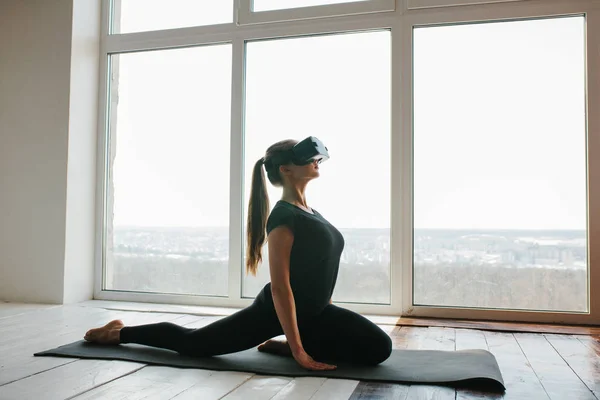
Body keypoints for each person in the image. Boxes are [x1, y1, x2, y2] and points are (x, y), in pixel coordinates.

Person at [84, 137, 392, 371]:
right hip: (276, 310)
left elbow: (319, 270)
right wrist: (300, 352)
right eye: (308, 159)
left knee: (379, 348)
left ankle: (287, 344)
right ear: (286, 169)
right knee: (196, 344)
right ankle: (119, 333)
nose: (316, 161)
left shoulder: (310, 212)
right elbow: (282, 287)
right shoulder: (283, 217)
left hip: (316, 312)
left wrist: (317, 320)